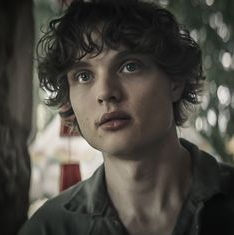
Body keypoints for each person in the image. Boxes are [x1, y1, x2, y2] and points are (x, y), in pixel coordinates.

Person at [19, 0, 234, 234]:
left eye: (130, 66)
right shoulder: (48, 229)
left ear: (175, 82)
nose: (105, 92)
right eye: (83, 76)